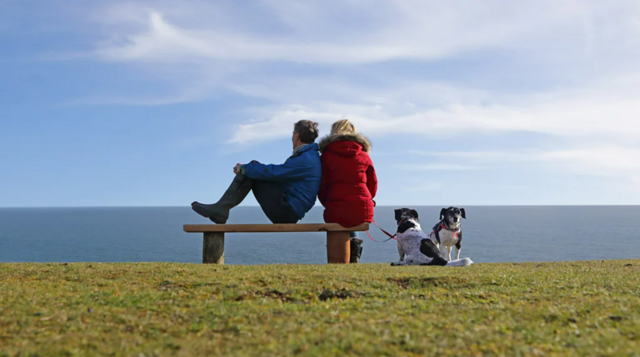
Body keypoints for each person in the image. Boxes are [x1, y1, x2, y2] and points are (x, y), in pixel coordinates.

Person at [191, 120, 321, 224]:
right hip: (290, 209)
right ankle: (221, 209)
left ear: (297, 135)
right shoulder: (308, 156)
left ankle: (221, 209)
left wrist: (245, 168)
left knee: (252, 170)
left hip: (288, 212)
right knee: (253, 169)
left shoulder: (306, 159)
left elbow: (275, 173)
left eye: (293, 134)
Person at [318, 119, 377, 263]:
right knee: (351, 214)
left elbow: (322, 186)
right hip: (362, 207)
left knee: (340, 214)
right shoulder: (364, 156)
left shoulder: (325, 156)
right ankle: (354, 253)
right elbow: (373, 184)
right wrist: (368, 200)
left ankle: (343, 256)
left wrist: (328, 202)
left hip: (335, 207)